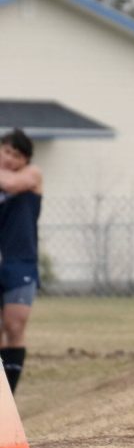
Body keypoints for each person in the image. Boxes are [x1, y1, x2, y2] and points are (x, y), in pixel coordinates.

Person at [0, 129, 43, 393]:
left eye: (17, 155)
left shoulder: (32, 175)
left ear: (26, 159)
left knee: (15, 325)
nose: (10, 159)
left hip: (21, 261)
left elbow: (14, 185)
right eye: (6, 151)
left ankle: (9, 400)